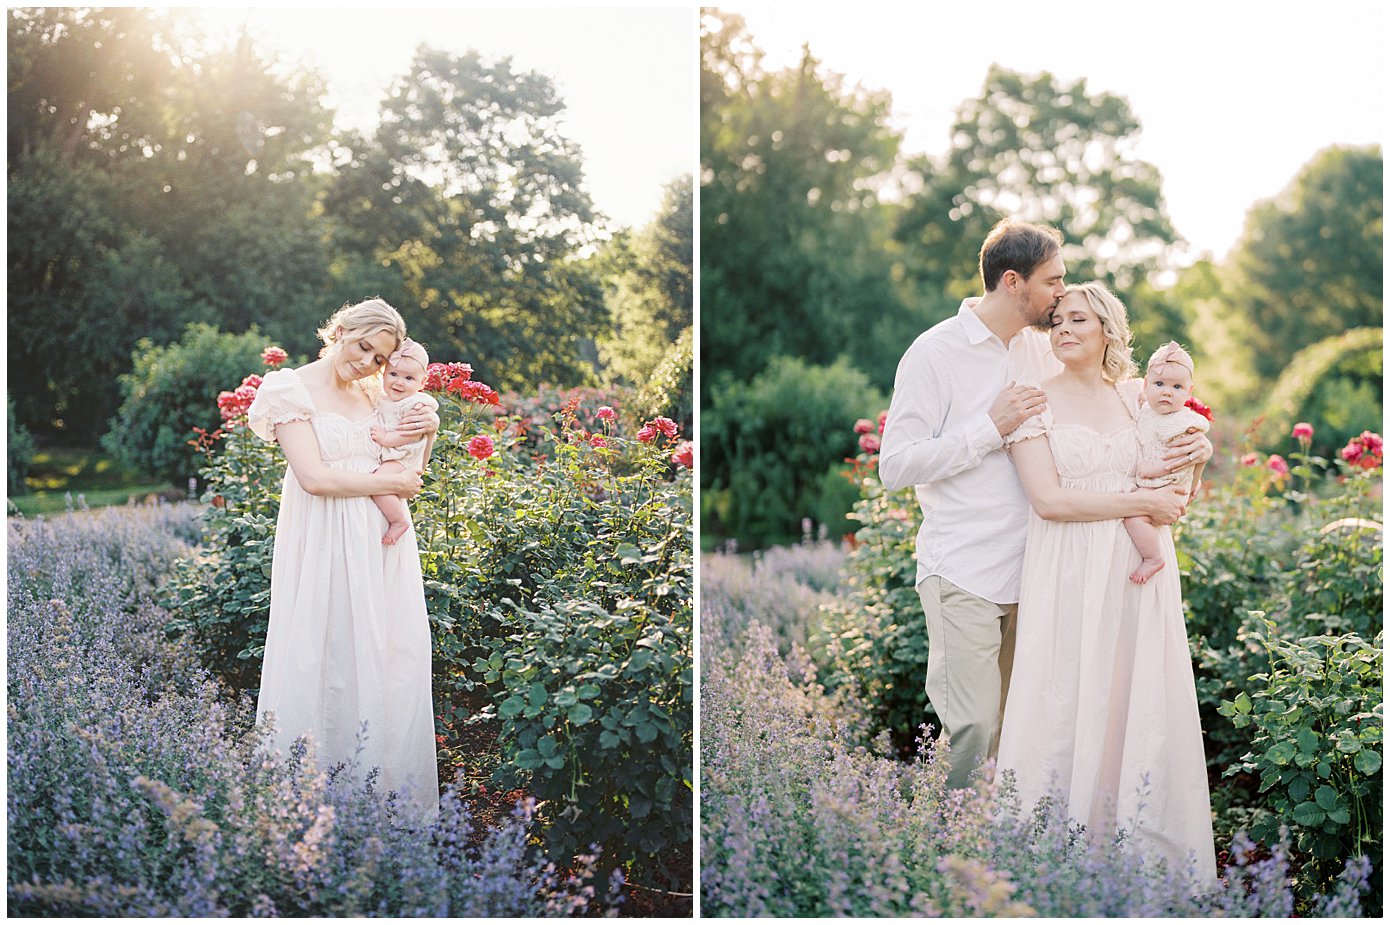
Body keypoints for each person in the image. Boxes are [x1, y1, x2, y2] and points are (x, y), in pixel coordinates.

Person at [877, 219, 1207, 791]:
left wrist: (1189, 436)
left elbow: (1112, 396)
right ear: (1013, 281)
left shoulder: (1042, 345)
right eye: (1054, 281)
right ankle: (941, 851)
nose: (1062, 295)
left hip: (1047, 571)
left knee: (1029, 730)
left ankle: (1007, 863)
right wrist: (988, 428)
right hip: (967, 568)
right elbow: (895, 466)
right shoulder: (935, 353)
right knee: (973, 726)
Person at [997, 281, 1216, 885]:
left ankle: (1139, 857)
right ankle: (1050, 857)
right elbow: (1048, 501)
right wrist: (1140, 496)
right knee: (1066, 690)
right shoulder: (1031, 400)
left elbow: (1179, 467)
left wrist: (1194, 458)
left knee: (1134, 695)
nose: (1064, 329)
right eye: (1058, 320)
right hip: (1066, 562)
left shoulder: (1133, 398)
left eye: (1079, 321)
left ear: (1108, 333)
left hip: (1134, 570)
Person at [246, 297, 442, 817]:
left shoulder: (376, 394)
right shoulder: (289, 389)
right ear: (341, 329)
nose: (367, 363)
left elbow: (407, 466)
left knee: (388, 655)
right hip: (324, 537)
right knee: (323, 649)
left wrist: (428, 430)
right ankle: (304, 802)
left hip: (380, 541)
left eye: (379, 358)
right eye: (362, 347)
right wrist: (394, 482)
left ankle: (381, 800)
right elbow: (314, 478)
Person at [1124, 341, 1210, 584]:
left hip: (1169, 484)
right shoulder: (1146, 412)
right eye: (1159, 384)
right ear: (1146, 385)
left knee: (1133, 516)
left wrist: (1155, 470)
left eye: (1177, 387)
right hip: (1154, 483)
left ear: (1189, 392)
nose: (1167, 392)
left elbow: (1182, 459)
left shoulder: (1182, 422)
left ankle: (1153, 558)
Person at [368, 338, 439, 546]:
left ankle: (398, 521)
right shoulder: (385, 398)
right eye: (393, 374)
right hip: (394, 455)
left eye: (409, 378)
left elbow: (411, 433)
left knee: (378, 483)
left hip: (403, 457)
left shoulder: (416, 404)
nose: (399, 382)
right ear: (383, 373)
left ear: (422, 383)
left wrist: (386, 439)